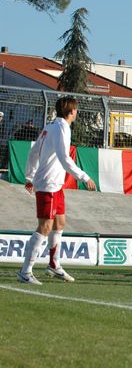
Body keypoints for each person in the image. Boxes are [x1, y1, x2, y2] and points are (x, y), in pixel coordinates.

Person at [19, 96, 97, 285]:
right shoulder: (62, 127)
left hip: (54, 184)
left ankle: (53, 263)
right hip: (49, 184)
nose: (76, 113)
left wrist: (30, 176)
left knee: (60, 222)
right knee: (45, 226)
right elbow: (64, 158)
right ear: (70, 111)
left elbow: (33, 151)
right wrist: (84, 177)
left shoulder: (50, 125)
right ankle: (25, 271)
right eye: (75, 109)